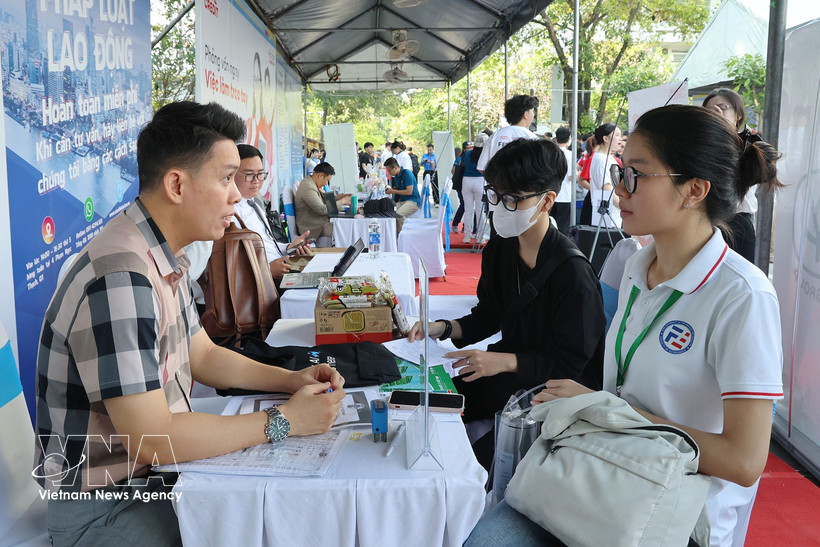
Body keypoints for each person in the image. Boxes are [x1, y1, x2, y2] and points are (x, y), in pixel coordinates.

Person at [466, 105, 783, 547]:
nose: (618, 193)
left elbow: (744, 461)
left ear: (693, 189)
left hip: (673, 512)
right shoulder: (637, 265)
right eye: (619, 173)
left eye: (635, 175)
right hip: (606, 472)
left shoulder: (742, 297)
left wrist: (605, 409)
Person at [33, 101, 346, 545]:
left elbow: (202, 353)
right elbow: (153, 440)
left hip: (156, 477)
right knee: (269, 528)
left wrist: (290, 380)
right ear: (177, 184)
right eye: (225, 179)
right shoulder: (122, 278)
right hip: (108, 504)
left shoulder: (159, 251)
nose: (237, 194)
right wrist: (285, 421)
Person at [408, 138, 605, 469]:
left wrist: (504, 362)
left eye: (512, 198)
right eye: (495, 195)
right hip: (511, 374)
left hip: (554, 392)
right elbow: (489, 315)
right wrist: (442, 328)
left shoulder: (574, 276)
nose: (499, 206)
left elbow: (572, 366)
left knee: (475, 461)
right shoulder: (500, 249)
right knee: (429, 406)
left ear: (547, 201)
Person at [234, 144, 312, 280]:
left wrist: (289, 247)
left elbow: (267, 244)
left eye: (260, 174)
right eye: (249, 175)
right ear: (231, 174)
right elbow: (231, 264)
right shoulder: (229, 215)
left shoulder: (254, 205)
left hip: (280, 269)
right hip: (262, 282)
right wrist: (267, 270)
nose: (256, 181)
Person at [702, 87, 761, 262]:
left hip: (738, 223)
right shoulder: (701, 147)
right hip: (707, 223)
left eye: (723, 107)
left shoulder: (750, 144)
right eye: (710, 110)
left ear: (738, 115)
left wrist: (724, 130)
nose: (716, 112)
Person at [294, 161, 350, 247]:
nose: (326, 184)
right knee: (341, 230)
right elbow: (322, 209)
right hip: (312, 227)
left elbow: (327, 199)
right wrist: (343, 201)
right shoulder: (308, 187)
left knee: (343, 226)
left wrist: (342, 196)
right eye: (327, 180)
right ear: (320, 176)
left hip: (319, 222)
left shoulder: (313, 183)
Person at [587, 123, 623, 229]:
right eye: (616, 135)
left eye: (620, 135)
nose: (620, 139)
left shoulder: (608, 157)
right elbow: (607, 188)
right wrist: (622, 205)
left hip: (612, 216)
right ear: (605, 138)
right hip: (607, 217)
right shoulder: (601, 159)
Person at [460, 133, 488, 244]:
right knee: (480, 211)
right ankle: (480, 236)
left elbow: (462, 165)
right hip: (480, 181)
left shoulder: (467, 154)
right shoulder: (485, 155)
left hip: (466, 180)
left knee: (468, 210)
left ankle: (467, 236)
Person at [383, 157, 421, 232]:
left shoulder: (407, 174)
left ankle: (411, 231)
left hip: (413, 201)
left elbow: (409, 192)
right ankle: (399, 234)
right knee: (389, 211)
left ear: (395, 168)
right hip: (403, 201)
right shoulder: (397, 175)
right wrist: (393, 189)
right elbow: (399, 188)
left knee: (398, 214)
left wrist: (393, 191)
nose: (388, 173)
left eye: (389, 170)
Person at [553, 126, 574, 234]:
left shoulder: (550, 153)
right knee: (562, 229)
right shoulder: (570, 155)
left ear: (556, 139)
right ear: (569, 139)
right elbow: (571, 176)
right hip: (565, 196)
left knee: (550, 226)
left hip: (550, 195)